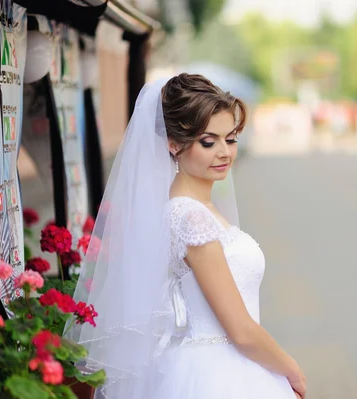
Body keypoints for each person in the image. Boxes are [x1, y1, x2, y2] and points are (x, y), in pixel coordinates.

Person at [66, 73, 306, 399]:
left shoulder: (196, 208)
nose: (224, 152)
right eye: (209, 142)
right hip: (219, 373)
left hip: (228, 366)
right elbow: (241, 331)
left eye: (231, 139)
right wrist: (290, 369)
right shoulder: (190, 217)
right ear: (174, 143)